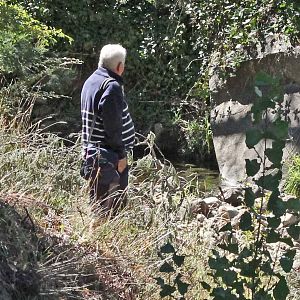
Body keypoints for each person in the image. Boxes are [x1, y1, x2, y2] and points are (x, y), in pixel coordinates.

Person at [81, 44, 135, 216]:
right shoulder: (111, 87)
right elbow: (113, 127)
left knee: (97, 206)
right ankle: (103, 242)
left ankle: (95, 240)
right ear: (120, 66)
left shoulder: (91, 81)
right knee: (110, 211)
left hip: (93, 154)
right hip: (108, 158)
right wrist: (121, 156)